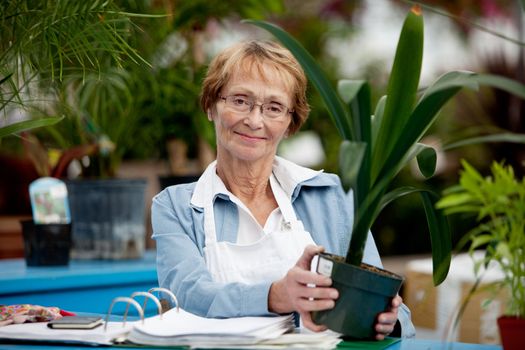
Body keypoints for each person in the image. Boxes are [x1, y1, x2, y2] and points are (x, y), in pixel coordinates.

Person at [152, 40, 416, 339]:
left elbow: (398, 316)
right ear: (212, 105)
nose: (254, 120)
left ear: (291, 123)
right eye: (239, 100)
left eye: (274, 108)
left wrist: (384, 320)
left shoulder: (334, 197)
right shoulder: (174, 206)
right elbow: (189, 295)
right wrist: (276, 295)